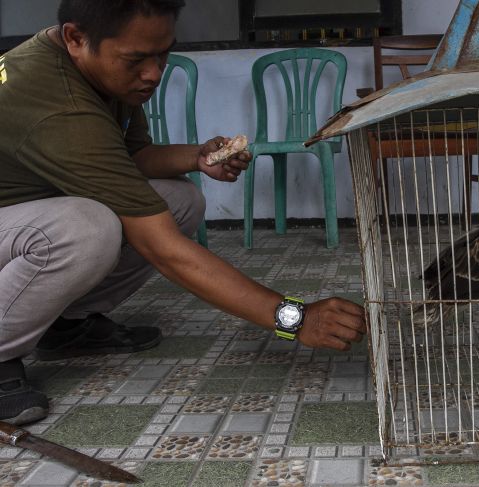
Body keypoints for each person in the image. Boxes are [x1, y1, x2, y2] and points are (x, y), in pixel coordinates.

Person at [0, 0, 366, 425]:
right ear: (75, 38)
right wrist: (294, 317)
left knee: (180, 200)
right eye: (137, 59)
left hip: (18, 212)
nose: (154, 73)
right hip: (19, 217)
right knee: (85, 229)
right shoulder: (58, 103)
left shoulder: (101, 74)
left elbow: (131, 157)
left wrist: (197, 157)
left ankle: (68, 325)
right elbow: (163, 248)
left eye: (163, 54)